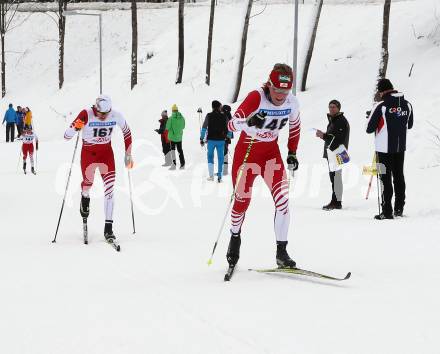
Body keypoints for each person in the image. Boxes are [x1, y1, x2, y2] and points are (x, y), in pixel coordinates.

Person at [225, 63, 301, 269]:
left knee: (283, 200)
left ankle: (282, 252)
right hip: (246, 155)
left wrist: (292, 152)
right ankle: (234, 238)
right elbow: (231, 125)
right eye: (277, 90)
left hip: (270, 155)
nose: (280, 95)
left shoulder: (292, 102)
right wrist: (249, 121)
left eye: (285, 91)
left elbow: (295, 127)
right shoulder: (256, 97)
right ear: (269, 85)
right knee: (241, 202)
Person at [64, 94, 133, 242]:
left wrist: (128, 154)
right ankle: (84, 198)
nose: (103, 117)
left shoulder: (115, 115)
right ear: (95, 108)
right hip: (89, 154)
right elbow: (66, 136)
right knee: (88, 184)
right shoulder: (86, 114)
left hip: (106, 154)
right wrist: (76, 127)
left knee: (109, 189)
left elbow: (127, 132)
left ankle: (108, 229)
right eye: (100, 113)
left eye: (105, 114)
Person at [366, 78, 413, 219]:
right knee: (399, 176)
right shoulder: (407, 104)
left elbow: (369, 129)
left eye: (379, 92)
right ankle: (399, 208)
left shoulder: (381, 106)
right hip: (400, 147)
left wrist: (371, 118)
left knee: (385, 179)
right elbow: (409, 125)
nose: (379, 94)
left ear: (383, 91)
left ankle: (387, 211)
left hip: (383, 149)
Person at [315, 99, 350, 210]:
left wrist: (323, 136)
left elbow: (338, 139)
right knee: (334, 178)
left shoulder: (340, 121)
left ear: (339, 108)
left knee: (336, 178)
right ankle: (336, 201)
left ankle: (336, 202)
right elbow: (333, 136)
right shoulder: (334, 120)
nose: (331, 108)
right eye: (330, 106)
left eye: (334, 107)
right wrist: (325, 135)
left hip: (337, 153)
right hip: (334, 153)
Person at [200, 100, 228, 182]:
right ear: (219, 107)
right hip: (221, 140)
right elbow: (229, 127)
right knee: (220, 158)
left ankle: (211, 176)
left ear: (212, 107)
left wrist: (201, 138)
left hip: (211, 140)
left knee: (210, 157)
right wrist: (228, 137)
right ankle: (220, 176)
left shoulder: (209, 115)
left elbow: (204, 127)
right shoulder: (224, 116)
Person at [166, 104, 185, 170]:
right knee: (180, 150)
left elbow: (167, 127)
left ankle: (174, 165)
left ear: (172, 110)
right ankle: (182, 164)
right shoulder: (182, 118)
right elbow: (183, 126)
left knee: (173, 150)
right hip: (179, 137)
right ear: (177, 110)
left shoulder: (170, 118)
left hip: (173, 138)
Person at [222, 104, 234, 176]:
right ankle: (225, 170)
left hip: (224, 137)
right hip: (226, 138)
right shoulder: (229, 115)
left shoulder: (226, 116)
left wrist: (227, 137)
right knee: (225, 153)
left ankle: (224, 170)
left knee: (223, 153)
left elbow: (229, 128)